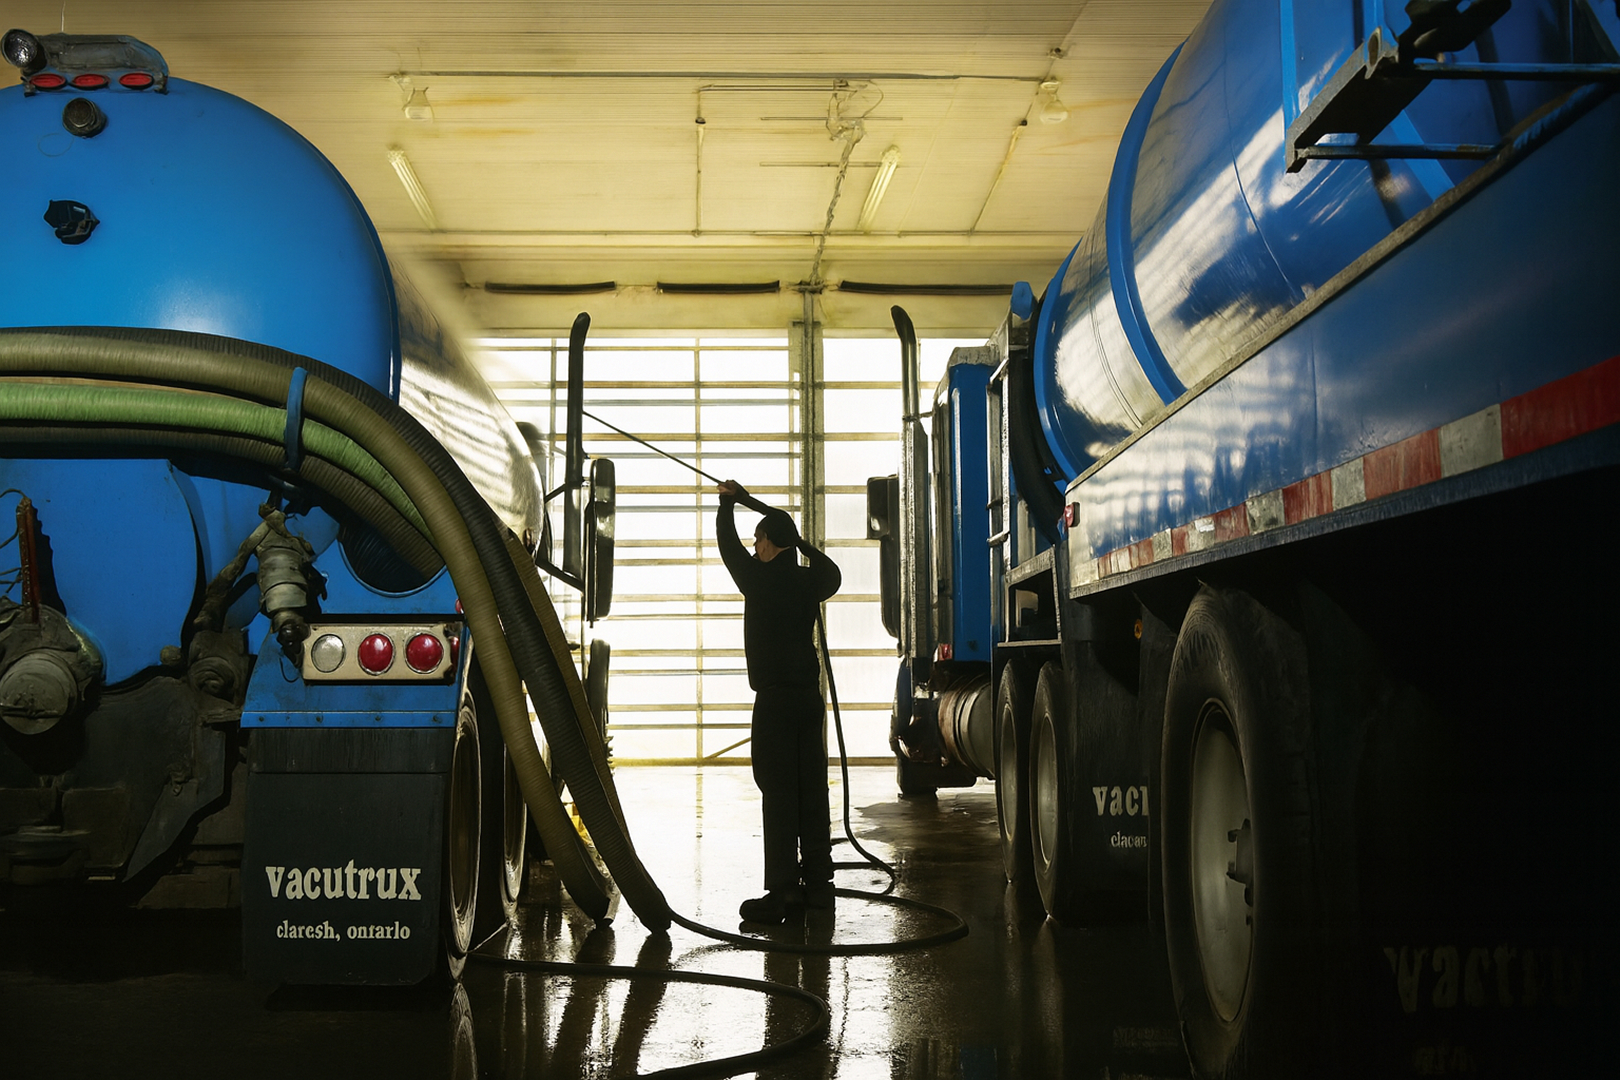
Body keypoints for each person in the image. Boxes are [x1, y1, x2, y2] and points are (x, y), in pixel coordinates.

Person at [715, 479, 842, 925]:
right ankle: (820, 890)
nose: (753, 546)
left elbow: (727, 546)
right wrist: (797, 539)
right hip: (809, 702)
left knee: (778, 793)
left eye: (760, 539)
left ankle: (785, 891)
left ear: (771, 544)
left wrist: (728, 505)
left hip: (773, 705)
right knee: (811, 791)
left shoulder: (757, 579)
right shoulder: (809, 582)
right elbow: (834, 573)